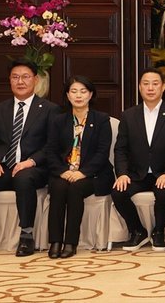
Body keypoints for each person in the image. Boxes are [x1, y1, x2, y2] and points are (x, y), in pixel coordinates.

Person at [0, 58, 58, 258]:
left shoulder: (49, 109)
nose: (20, 81)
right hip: (3, 167)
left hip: (34, 168)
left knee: (23, 178)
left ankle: (26, 236)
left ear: (35, 80)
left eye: (25, 77)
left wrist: (30, 162)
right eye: (15, 77)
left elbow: (52, 145)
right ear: (9, 80)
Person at [112, 68, 165, 252]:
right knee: (118, 192)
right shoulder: (128, 115)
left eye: (155, 84)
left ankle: (158, 232)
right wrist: (122, 174)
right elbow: (120, 149)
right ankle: (137, 231)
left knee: (163, 192)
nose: (150, 88)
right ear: (140, 87)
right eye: (146, 84)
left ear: (163, 87)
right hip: (137, 174)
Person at [44, 76, 113, 259]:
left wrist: (83, 173)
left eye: (83, 91)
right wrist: (63, 171)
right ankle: (55, 241)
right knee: (58, 187)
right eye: (74, 91)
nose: (78, 95)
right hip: (64, 172)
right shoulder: (58, 120)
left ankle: (70, 242)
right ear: (68, 95)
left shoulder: (101, 119)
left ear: (90, 94)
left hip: (93, 174)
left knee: (75, 189)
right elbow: (50, 151)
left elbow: (102, 153)